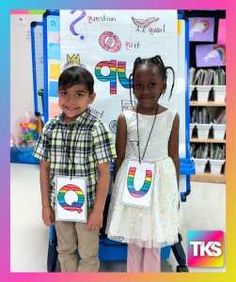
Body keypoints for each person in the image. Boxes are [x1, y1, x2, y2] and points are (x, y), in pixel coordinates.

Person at [33, 66, 116, 272]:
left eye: (79, 94)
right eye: (64, 94)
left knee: (88, 254)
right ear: (58, 95)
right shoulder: (50, 128)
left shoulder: (97, 128)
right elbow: (44, 169)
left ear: (91, 97)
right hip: (60, 205)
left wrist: (98, 210)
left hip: (87, 207)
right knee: (65, 250)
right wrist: (46, 206)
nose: (70, 102)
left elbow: (105, 173)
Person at [106, 55, 180, 272]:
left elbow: (173, 155)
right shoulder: (125, 117)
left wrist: (173, 192)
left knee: (154, 240)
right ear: (132, 85)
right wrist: (117, 192)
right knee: (135, 239)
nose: (145, 91)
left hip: (160, 184)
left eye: (152, 85)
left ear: (163, 86)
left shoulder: (171, 117)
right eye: (139, 85)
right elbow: (120, 157)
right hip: (132, 184)